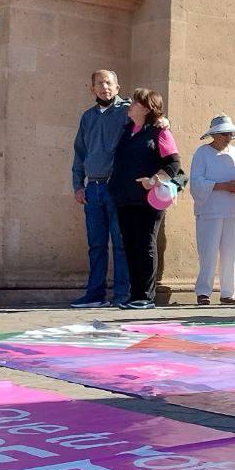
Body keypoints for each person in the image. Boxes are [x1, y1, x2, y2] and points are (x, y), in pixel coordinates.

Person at [110, 88, 181, 310]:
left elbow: (173, 164)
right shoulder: (127, 129)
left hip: (148, 200)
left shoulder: (160, 131)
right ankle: (134, 295)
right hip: (124, 198)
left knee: (145, 245)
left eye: (135, 102)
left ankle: (145, 297)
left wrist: (153, 180)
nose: (130, 105)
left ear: (146, 107)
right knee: (130, 246)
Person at [71, 69, 132, 308]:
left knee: (120, 243)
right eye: (99, 83)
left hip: (117, 187)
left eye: (109, 83)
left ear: (117, 87)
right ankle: (95, 295)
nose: (104, 87)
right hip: (93, 189)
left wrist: (162, 120)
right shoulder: (87, 117)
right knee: (96, 245)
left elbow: (150, 116)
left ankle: (121, 295)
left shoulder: (127, 110)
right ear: (92, 89)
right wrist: (78, 185)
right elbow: (80, 152)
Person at [189, 115, 235, 305]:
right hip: (210, 210)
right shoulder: (202, 153)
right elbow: (196, 182)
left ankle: (228, 293)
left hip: (233, 209)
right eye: (224, 134)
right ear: (214, 134)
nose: (228, 137)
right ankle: (203, 291)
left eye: (230, 134)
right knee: (208, 251)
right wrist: (222, 186)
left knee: (231, 252)